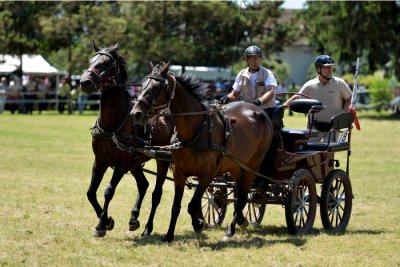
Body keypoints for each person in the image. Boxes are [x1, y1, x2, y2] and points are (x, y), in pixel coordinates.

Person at [284, 55, 352, 142]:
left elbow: (349, 98)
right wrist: (281, 109)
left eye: (331, 67)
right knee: (310, 151)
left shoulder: (339, 83)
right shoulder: (310, 85)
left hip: (333, 128)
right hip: (314, 126)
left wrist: (345, 113)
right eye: (327, 67)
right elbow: (297, 97)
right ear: (318, 69)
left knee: (328, 153)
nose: (330, 70)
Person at [219, 45, 277, 118]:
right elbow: (235, 94)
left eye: (257, 58)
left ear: (260, 59)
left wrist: (259, 101)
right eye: (251, 58)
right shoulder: (241, 74)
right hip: (246, 109)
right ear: (247, 60)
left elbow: (270, 92)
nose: (254, 61)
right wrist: (226, 98)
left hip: (265, 109)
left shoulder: (268, 73)